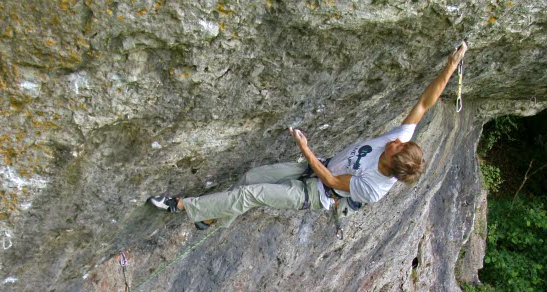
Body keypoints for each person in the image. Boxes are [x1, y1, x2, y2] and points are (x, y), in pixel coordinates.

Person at [148, 42, 468, 231]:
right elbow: (426, 103)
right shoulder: (398, 143)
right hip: (315, 169)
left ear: (389, 162)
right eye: (398, 141)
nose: (394, 139)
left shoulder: (373, 187)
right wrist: (451, 65)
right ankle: (213, 218)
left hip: (315, 194)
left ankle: (182, 206)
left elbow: (329, 180)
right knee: (251, 177)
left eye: (395, 146)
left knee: (252, 194)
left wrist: (304, 147)